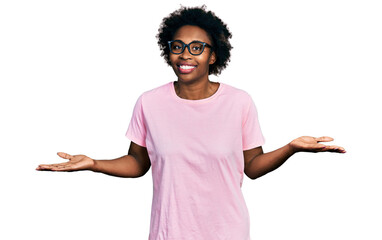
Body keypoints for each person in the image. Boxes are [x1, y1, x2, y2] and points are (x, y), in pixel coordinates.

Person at [36, 5, 346, 240]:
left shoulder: (239, 102)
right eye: (178, 46)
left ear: (213, 56)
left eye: (197, 47)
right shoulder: (149, 102)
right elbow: (137, 163)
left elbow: (251, 167)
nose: (186, 54)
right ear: (168, 51)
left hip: (228, 232)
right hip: (168, 231)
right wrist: (93, 163)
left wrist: (291, 148)